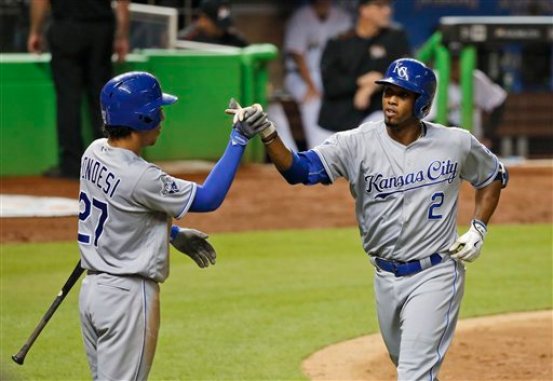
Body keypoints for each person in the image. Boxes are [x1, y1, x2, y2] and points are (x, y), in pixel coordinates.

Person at [228, 58, 508, 380]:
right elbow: (299, 171)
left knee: (414, 374)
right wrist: (267, 132)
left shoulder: (455, 142)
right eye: (388, 92)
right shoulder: (357, 143)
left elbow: (493, 175)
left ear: (422, 104)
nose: (390, 100)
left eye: (402, 94)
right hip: (384, 277)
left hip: (437, 273)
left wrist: (478, 228)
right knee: (407, 364)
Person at [78, 72, 264, 380]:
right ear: (144, 118)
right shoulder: (141, 176)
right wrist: (238, 139)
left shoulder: (93, 152)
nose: (163, 117)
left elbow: (120, 213)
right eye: (158, 111)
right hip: (127, 298)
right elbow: (208, 198)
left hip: (93, 293)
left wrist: (171, 233)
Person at [27, 0, 130, 179]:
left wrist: (35, 31)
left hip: (66, 27)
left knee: (68, 99)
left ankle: (72, 165)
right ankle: (108, 162)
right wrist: (122, 36)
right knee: (103, 99)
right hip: (101, 29)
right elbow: (122, 3)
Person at [318, 0, 410, 133]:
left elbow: (403, 73)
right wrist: (359, 82)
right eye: (380, 6)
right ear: (364, 10)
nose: (387, 11)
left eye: (388, 6)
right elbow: (330, 86)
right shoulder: (339, 42)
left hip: (375, 119)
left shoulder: (395, 37)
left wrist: (373, 85)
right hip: (335, 124)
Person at [283, 0, 352, 148]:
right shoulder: (300, 17)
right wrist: (311, 85)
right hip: (299, 76)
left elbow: (348, 50)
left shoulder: (342, 17)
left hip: (330, 76)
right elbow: (296, 54)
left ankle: (335, 151)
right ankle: (317, 149)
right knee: (312, 101)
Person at [426, 55, 507, 149]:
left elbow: (499, 101)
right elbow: (431, 120)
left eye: (459, 62)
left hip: (472, 144)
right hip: (437, 145)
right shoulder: (434, 78)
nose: (457, 67)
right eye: (453, 64)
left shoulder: (476, 78)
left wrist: (488, 134)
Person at [178, 0, 248, 47]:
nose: (222, 30)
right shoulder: (185, 40)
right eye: (217, 25)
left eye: (224, 24)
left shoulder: (235, 39)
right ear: (203, 19)